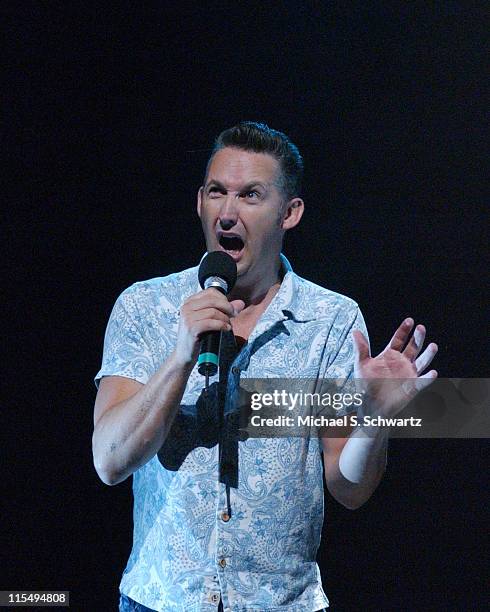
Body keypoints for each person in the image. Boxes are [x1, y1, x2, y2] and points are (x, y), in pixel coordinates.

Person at [93, 122, 438, 612]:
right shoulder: (145, 307)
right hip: (162, 600)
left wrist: (375, 419)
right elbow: (109, 461)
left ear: (289, 213)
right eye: (217, 193)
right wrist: (179, 357)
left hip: (283, 604)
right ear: (199, 202)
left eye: (251, 195)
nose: (228, 213)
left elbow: (349, 489)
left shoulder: (331, 319)